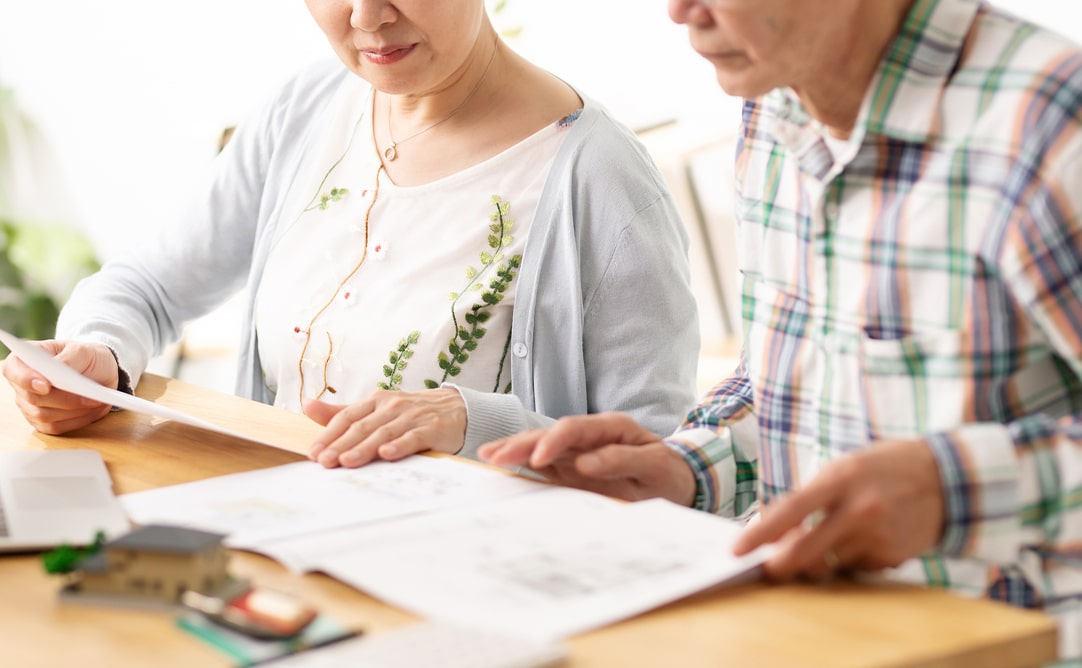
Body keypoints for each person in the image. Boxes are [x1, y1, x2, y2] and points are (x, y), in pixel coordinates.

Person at [480, 0, 1082, 659]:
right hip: (812, 633)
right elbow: (801, 384)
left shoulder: (1051, 121)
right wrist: (682, 467)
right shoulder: (773, 107)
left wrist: (954, 488)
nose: (681, 12)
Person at [0, 0, 700, 469]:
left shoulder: (599, 178)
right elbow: (147, 286)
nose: (366, 17)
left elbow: (654, 459)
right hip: (277, 541)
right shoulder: (307, 110)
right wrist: (97, 355)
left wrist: (474, 422)